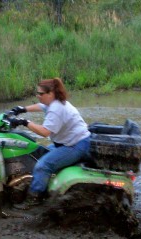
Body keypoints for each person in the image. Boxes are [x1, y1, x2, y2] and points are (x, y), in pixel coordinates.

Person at [9, 78, 91, 210]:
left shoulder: (56, 109)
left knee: (43, 165)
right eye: (37, 93)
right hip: (70, 142)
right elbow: (41, 106)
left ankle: (33, 199)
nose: (38, 96)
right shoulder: (54, 103)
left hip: (75, 145)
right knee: (40, 151)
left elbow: (45, 132)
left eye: (41, 94)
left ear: (51, 93)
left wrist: (24, 122)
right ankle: (40, 183)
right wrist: (21, 109)